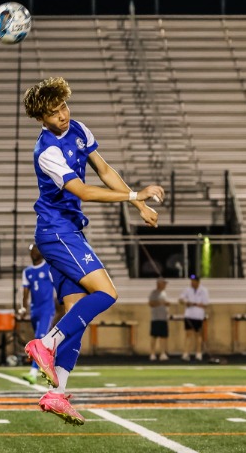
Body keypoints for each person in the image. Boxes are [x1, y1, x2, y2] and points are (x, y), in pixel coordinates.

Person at [22, 77, 164, 425]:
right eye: (53, 112)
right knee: (107, 293)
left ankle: (57, 393)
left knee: (76, 314)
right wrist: (136, 194)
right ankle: (46, 343)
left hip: (67, 230)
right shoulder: (47, 151)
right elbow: (84, 192)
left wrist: (138, 206)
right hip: (56, 232)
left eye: (63, 107)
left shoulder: (78, 129)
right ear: (41, 118)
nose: (63, 115)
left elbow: (104, 169)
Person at [19, 244, 56, 385]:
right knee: (43, 342)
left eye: (36, 250)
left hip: (47, 309)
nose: (33, 253)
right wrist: (23, 308)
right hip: (35, 310)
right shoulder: (27, 272)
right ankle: (52, 367)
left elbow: (58, 285)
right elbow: (25, 292)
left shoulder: (48, 268)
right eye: (31, 251)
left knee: (39, 340)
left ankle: (33, 373)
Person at [179, 274, 209, 361]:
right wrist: (186, 302)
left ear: (198, 282)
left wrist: (194, 304)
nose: (192, 283)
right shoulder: (187, 289)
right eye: (191, 281)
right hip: (189, 315)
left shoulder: (204, 290)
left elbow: (205, 304)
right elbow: (180, 299)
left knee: (198, 334)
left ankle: (198, 353)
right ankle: (186, 353)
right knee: (188, 334)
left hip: (198, 316)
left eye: (194, 281)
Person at [148, 277, 171, 361]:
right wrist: (160, 302)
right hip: (156, 318)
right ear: (159, 284)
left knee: (163, 337)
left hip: (163, 318)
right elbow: (151, 303)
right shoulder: (154, 293)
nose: (165, 285)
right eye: (163, 283)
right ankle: (152, 353)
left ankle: (162, 353)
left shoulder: (164, 293)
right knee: (154, 336)